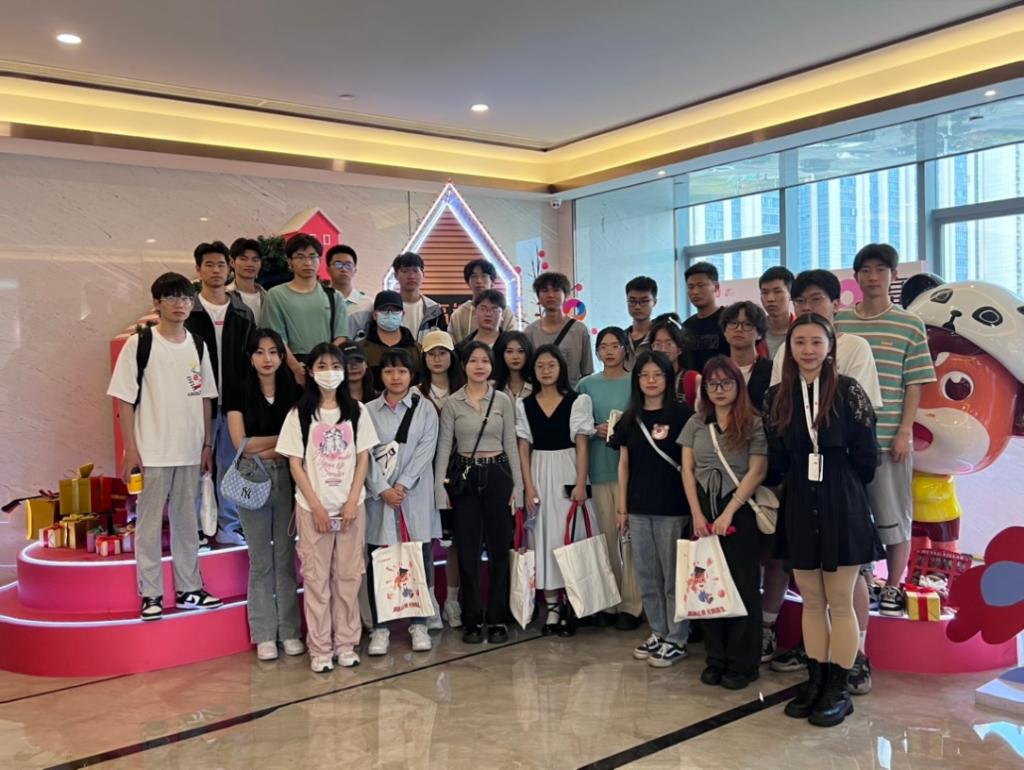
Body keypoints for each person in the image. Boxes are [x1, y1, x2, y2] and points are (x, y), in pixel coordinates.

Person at [763, 313, 880, 728]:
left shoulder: (848, 391)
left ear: (830, 346)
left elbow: (867, 457)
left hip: (841, 500)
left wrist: (838, 482)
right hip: (799, 500)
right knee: (812, 600)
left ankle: (838, 689)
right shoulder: (777, 396)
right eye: (800, 343)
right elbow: (776, 459)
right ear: (789, 349)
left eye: (816, 342)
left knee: (841, 600)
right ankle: (815, 681)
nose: (808, 350)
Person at [836, 243, 936, 692]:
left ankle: (893, 584)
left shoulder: (909, 324)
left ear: (892, 277)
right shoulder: (840, 323)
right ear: (856, 276)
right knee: (854, 520)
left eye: (881, 269)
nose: (873, 276)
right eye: (866, 269)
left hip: (889, 439)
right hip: (846, 444)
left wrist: (904, 431)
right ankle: (861, 579)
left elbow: (915, 383)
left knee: (894, 517)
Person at [107, 272, 223, 621]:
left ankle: (189, 589)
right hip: (152, 452)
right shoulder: (140, 343)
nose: (179, 304)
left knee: (187, 523)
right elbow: (124, 399)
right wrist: (131, 449)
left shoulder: (198, 345)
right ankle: (151, 594)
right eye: (171, 297)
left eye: (185, 298)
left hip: (190, 451)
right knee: (148, 525)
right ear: (157, 303)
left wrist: (206, 444)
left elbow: (206, 398)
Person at [276, 342, 380, 673]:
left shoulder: (358, 412)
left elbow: (363, 458)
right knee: (316, 580)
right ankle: (320, 648)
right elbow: (295, 464)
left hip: (351, 509)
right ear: (310, 372)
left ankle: (346, 644)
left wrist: (352, 501)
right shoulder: (299, 414)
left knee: (349, 578)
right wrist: (316, 507)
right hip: (312, 510)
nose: (329, 372)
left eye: (335, 366)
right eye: (321, 366)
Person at [680, 355, 768, 690]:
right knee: (706, 586)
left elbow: (757, 470)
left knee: (743, 586)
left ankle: (743, 663)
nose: (719, 389)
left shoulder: (754, 423)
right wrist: (697, 514)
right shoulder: (696, 423)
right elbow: (687, 471)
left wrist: (730, 511)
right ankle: (715, 658)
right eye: (712, 384)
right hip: (703, 509)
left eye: (726, 383)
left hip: (739, 509)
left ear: (738, 385)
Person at [434, 341, 523, 644]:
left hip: (498, 474)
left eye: (485, 360)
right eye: (473, 360)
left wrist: (518, 485)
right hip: (465, 478)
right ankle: (472, 618)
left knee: (499, 549)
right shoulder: (452, 403)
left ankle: (497, 617)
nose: (479, 366)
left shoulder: (502, 400)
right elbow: (444, 447)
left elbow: (511, 443)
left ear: (492, 365)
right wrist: (439, 488)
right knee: (468, 551)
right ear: (464, 366)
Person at [609, 351, 694, 667]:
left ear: (668, 378)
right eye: (644, 375)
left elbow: (689, 465)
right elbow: (624, 464)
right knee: (647, 575)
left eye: (657, 374)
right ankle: (658, 631)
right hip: (638, 507)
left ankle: (677, 637)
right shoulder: (630, 418)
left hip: (673, 507)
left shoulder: (683, 415)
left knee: (673, 577)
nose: (651, 380)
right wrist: (622, 508)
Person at [224, 328, 303, 660]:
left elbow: (299, 441)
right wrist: (281, 441)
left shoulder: (294, 391)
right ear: (250, 357)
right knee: (259, 560)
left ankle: (290, 631)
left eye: (273, 351)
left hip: (289, 477)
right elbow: (241, 445)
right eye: (259, 352)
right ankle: (264, 634)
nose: (267, 358)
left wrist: (264, 445)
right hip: (252, 478)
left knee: (285, 558)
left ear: (282, 356)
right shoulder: (238, 390)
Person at [365, 348, 441, 656]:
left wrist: (402, 484)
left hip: (414, 496)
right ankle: (380, 628)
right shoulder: (368, 411)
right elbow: (364, 454)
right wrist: (382, 488)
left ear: (411, 375)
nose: (395, 377)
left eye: (401, 371)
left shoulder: (425, 409)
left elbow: (426, 449)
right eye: (388, 371)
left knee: (418, 558)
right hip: (379, 499)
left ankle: (418, 623)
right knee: (379, 560)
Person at [517, 345, 596, 637]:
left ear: (561, 368)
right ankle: (552, 605)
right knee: (543, 537)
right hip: (538, 471)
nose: (546, 371)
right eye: (540, 366)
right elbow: (523, 447)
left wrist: (580, 482)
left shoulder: (578, 401)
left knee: (570, 536)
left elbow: (583, 445)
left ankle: (573, 601)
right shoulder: (524, 405)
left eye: (551, 365)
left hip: (568, 469)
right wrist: (528, 486)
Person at [186, 240, 255, 546]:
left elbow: (251, 358)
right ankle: (195, 529)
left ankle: (229, 525)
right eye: (209, 264)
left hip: (234, 404)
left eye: (221, 265)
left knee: (230, 465)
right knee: (194, 466)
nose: (216, 270)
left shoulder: (242, 312)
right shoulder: (188, 311)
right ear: (198, 269)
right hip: (196, 406)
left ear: (229, 269)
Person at [577, 327, 642, 630]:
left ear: (625, 348)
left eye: (615, 345)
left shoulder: (636, 381)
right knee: (605, 539)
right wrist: (595, 429)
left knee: (631, 539)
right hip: (598, 468)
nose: (609, 351)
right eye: (603, 346)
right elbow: (578, 426)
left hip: (632, 471)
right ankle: (609, 602)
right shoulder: (586, 385)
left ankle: (632, 604)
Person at [418, 330, 466, 627]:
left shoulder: (465, 390)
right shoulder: (415, 393)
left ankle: (452, 601)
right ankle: (428, 602)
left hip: (459, 474)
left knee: (456, 540)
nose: (437, 359)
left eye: (442, 353)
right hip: (423, 476)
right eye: (431, 354)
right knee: (424, 540)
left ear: (452, 357)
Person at [262, 234, 349, 384]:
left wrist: (323, 364)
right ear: (290, 262)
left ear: (320, 261)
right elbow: (276, 339)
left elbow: (341, 336)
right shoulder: (276, 295)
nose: (307, 262)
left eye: (312, 256)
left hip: (327, 368)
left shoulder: (334, 296)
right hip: (290, 366)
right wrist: (297, 369)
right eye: (300, 257)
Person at [523, 271, 593, 388]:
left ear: (565, 294)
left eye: (556, 290)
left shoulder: (580, 330)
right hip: (541, 394)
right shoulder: (530, 332)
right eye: (545, 290)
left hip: (572, 393)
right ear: (538, 296)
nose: (550, 295)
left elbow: (587, 373)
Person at [361, 290, 422, 391]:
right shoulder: (362, 349)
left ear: (402, 314)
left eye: (395, 310)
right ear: (375, 315)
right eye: (384, 310)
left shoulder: (417, 350)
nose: (390, 314)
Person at [448, 259, 517, 343]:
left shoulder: (505, 311)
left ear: (492, 281)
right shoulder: (459, 314)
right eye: (474, 276)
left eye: (484, 276)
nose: (479, 281)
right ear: (468, 282)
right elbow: (452, 344)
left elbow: (513, 341)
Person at [721, 301, 773, 408]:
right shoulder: (717, 370)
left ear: (759, 334)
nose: (738, 329)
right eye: (733, 323)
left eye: (747, 324)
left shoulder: (772, 370)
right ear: (724, 332)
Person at [683, 262, 729, 372]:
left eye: (701, 285)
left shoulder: (729, 320)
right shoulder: (686, 326)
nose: (695, 292)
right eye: (690, 287)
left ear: (716, 287)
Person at [392, 252, 447, 341]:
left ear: (423, 274)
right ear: (395, 275)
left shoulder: (434, 309)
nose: (411, 276)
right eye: (405, 271)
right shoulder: (387, 308)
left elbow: (442, 341)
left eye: (415, 271)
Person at [649, 314, 698, 407]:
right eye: (658, 344)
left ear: (680, 348)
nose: (663, 349)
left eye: (669, 343)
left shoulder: (693, 379)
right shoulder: (646, 379)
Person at [326, 244, 373, 339]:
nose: (343, 269)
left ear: (355, 270)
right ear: (328, 269)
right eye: (338, 264)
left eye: (348, 265)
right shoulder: (320, 301)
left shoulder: (368, 304)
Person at [227, 237, 267, 324]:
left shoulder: (267, 296)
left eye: (255, 260)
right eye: (243, 259)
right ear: (232, 262)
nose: (250, 264)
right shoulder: (225, 295)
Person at [758, 266, 795, 359]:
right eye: (765, 293)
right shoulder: (755, 330)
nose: (770, 299)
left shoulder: (802, 329)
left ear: (791, 294)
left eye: (777, 292)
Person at [624, 276, 658, 363]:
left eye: (644, 301)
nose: (637, 307)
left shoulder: (660, 336)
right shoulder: (621, 338)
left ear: (654, 302)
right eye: (632, 301)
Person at [494, 331, 534, 404]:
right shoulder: (492, 386)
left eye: (521, 351)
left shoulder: (536, 385)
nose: (515, 357)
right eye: (509, 351)